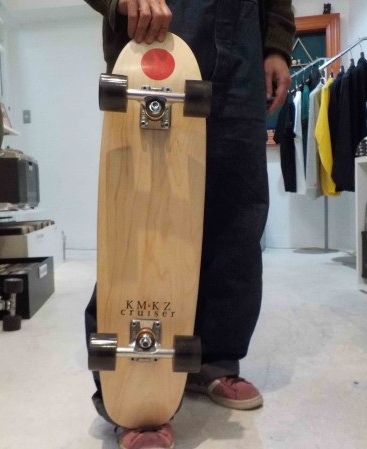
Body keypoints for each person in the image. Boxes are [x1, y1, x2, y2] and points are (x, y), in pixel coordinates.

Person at [84, 1, 295, 448]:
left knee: (237, 214)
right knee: (142, 217)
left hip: (242, 50)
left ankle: (215, 361)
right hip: (155, 35)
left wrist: (277, 44)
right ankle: (132, 389)